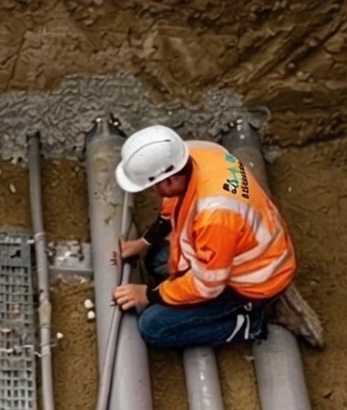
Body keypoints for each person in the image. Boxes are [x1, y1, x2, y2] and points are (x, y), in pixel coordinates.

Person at [110, 125, 325, 352]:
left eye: (153, 185)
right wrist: (142, 243)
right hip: (244, 249)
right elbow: (171, 210)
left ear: (169, 180)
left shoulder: (216, 215)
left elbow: (207, 286)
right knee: (156, 260)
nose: (153, 191)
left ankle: (257, 319)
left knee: (153, 327)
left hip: (254, 280)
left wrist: (147, 294)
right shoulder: (195, 153)